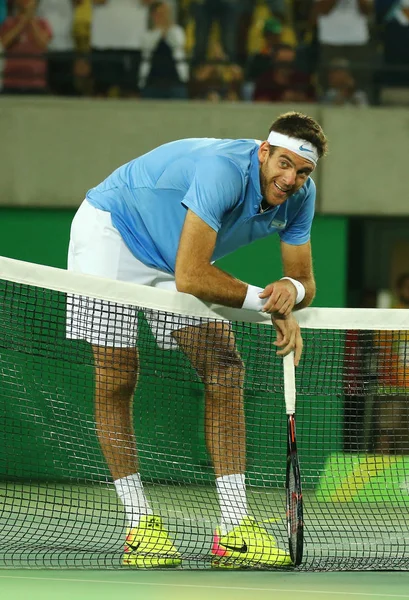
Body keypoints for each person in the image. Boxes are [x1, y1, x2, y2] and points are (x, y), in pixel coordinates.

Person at [67, 111, 328, 568]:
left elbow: (304, 278)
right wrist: (271, 306)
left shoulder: (300, 196)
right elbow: (191, 276)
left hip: (175, 258)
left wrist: (293, 291)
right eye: (284, 164)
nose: (291, 179)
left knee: (225, 366)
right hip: (114, 231)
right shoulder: (222, 171)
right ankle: (139, 525)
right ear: (264, 152)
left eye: (303, 171)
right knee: (117, 376)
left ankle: (233, 529)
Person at [139, 1, 189, 99]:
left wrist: (167, 29)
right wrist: (161, 31)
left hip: (175, 83)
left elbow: (178, 42)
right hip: (151, 83)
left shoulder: (177, 31)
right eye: (161, 14)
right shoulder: (147, 34)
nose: (164, 17)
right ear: (153, 15)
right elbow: (149, 45)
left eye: (166, 13)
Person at [0, 0, 52, 94]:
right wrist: (22, 22)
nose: (26, 2)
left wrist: (31, 20)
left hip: (36, 83)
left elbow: (43, 44)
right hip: (11, 83)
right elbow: (4, 43)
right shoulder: (8, 23)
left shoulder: (43, 23)